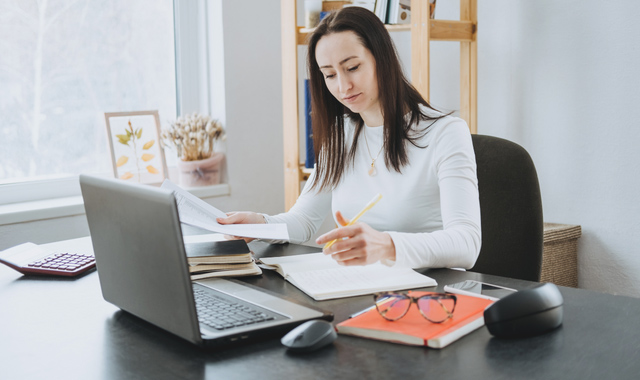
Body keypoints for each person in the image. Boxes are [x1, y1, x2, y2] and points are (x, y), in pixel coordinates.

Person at [217, 7, 480, 269]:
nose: (343, 87)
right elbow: (305, 220)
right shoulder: (341, 134)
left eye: (352, 67)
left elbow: (466, 243)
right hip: (361, 287)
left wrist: (387, 245)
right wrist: (260, 224)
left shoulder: (446, 133)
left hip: (427, 296)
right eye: (330, 75)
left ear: (382, 58)